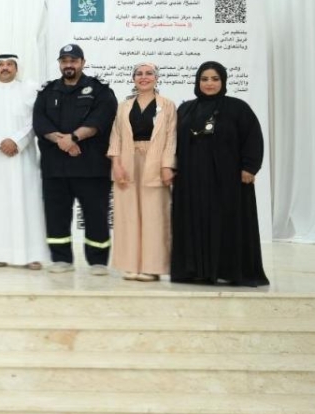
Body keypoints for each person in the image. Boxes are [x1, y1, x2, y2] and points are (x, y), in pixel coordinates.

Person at [171, 62, 268, 286]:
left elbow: (253, 137)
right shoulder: (186, 109)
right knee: (194, 222)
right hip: (191, 179)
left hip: (228, 180)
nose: (209, 83)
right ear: (198, 82)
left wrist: (250, 167)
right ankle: (195, 271)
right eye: (204, 79)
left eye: (215, 79)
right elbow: (173, 141)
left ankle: (228, 271)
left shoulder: (238, 108)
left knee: (225, 223)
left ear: (223, 81)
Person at [33, 44, 117, 274]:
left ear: (82, 62)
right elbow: (39, 122)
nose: (68, 65)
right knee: (56, 215)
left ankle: (98, 261)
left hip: (91, 167)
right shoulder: (48, 91)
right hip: (55, 168)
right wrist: (62, 141)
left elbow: (101, 119)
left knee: (96, 214)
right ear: (60, 64)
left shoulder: (100, 90)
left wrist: (73, 138)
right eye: (64, 61)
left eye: (73, 60)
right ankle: (61, 259)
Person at [0, 54, 47, 270]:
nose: (5, 68)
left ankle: (31, 255)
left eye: (9, 64)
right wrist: (0, 142)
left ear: (16, 67)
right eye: (0, 65)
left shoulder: (29, 90)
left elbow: (35, 120)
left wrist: (16, 141)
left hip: (23, 157)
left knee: (27, 203)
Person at [107, 62, 177, 282]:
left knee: (154, 216)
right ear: (133, 78)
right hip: (127, 162)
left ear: (156, 78)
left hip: (155, 162)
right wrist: (116, 164)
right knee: (127, 215)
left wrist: (167, 166)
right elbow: (116, 136)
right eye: (139, 74)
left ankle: (152, 267)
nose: (144, 77)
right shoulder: (123, 106)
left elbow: (171, 138)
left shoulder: (167, 105)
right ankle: (130, 265)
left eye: (149, 73)